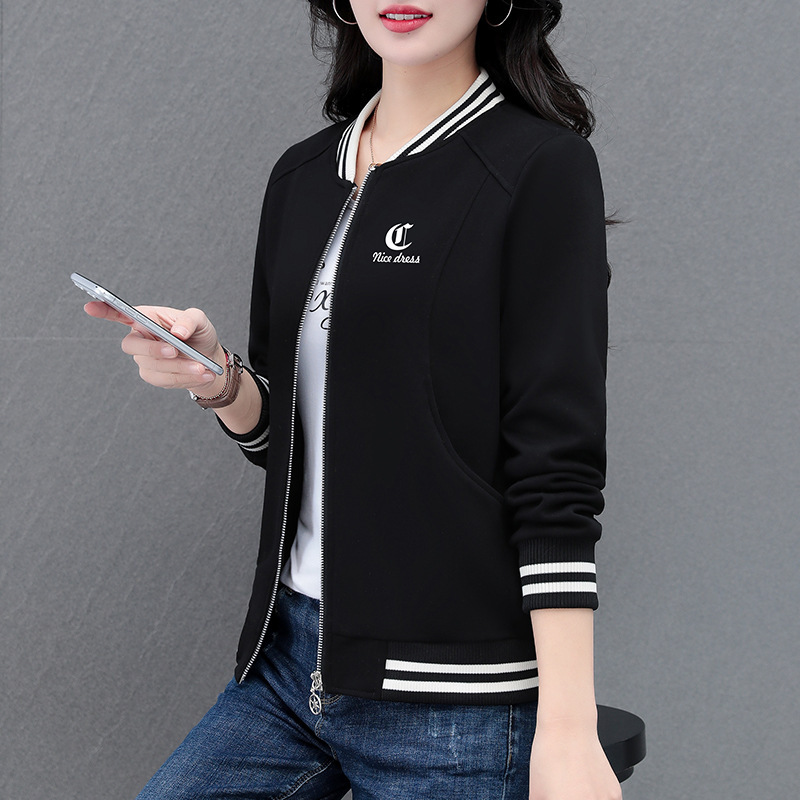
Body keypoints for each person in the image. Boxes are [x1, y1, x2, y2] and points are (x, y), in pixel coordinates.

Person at [85, 1, 622, 798]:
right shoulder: (302, 175)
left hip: (454, 698)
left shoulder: (538, 168)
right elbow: (298, 443)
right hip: (286, 664)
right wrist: (220, 380)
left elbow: (556, 464)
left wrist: (569, 728)